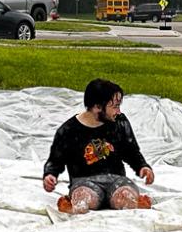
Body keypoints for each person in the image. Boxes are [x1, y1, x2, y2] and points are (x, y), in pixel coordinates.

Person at [42, 79, 155, 213]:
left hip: (117, 180)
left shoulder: (120, 122)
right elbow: (56, 159)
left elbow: (131, 150)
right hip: (84, 182)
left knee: (125, 197)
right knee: (83, 199)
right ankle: (71, 206)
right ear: (97, 107)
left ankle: (136, 203)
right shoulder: (69, 130)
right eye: (115, 106)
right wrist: (50, 174)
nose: (118, 111)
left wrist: (142, 166)